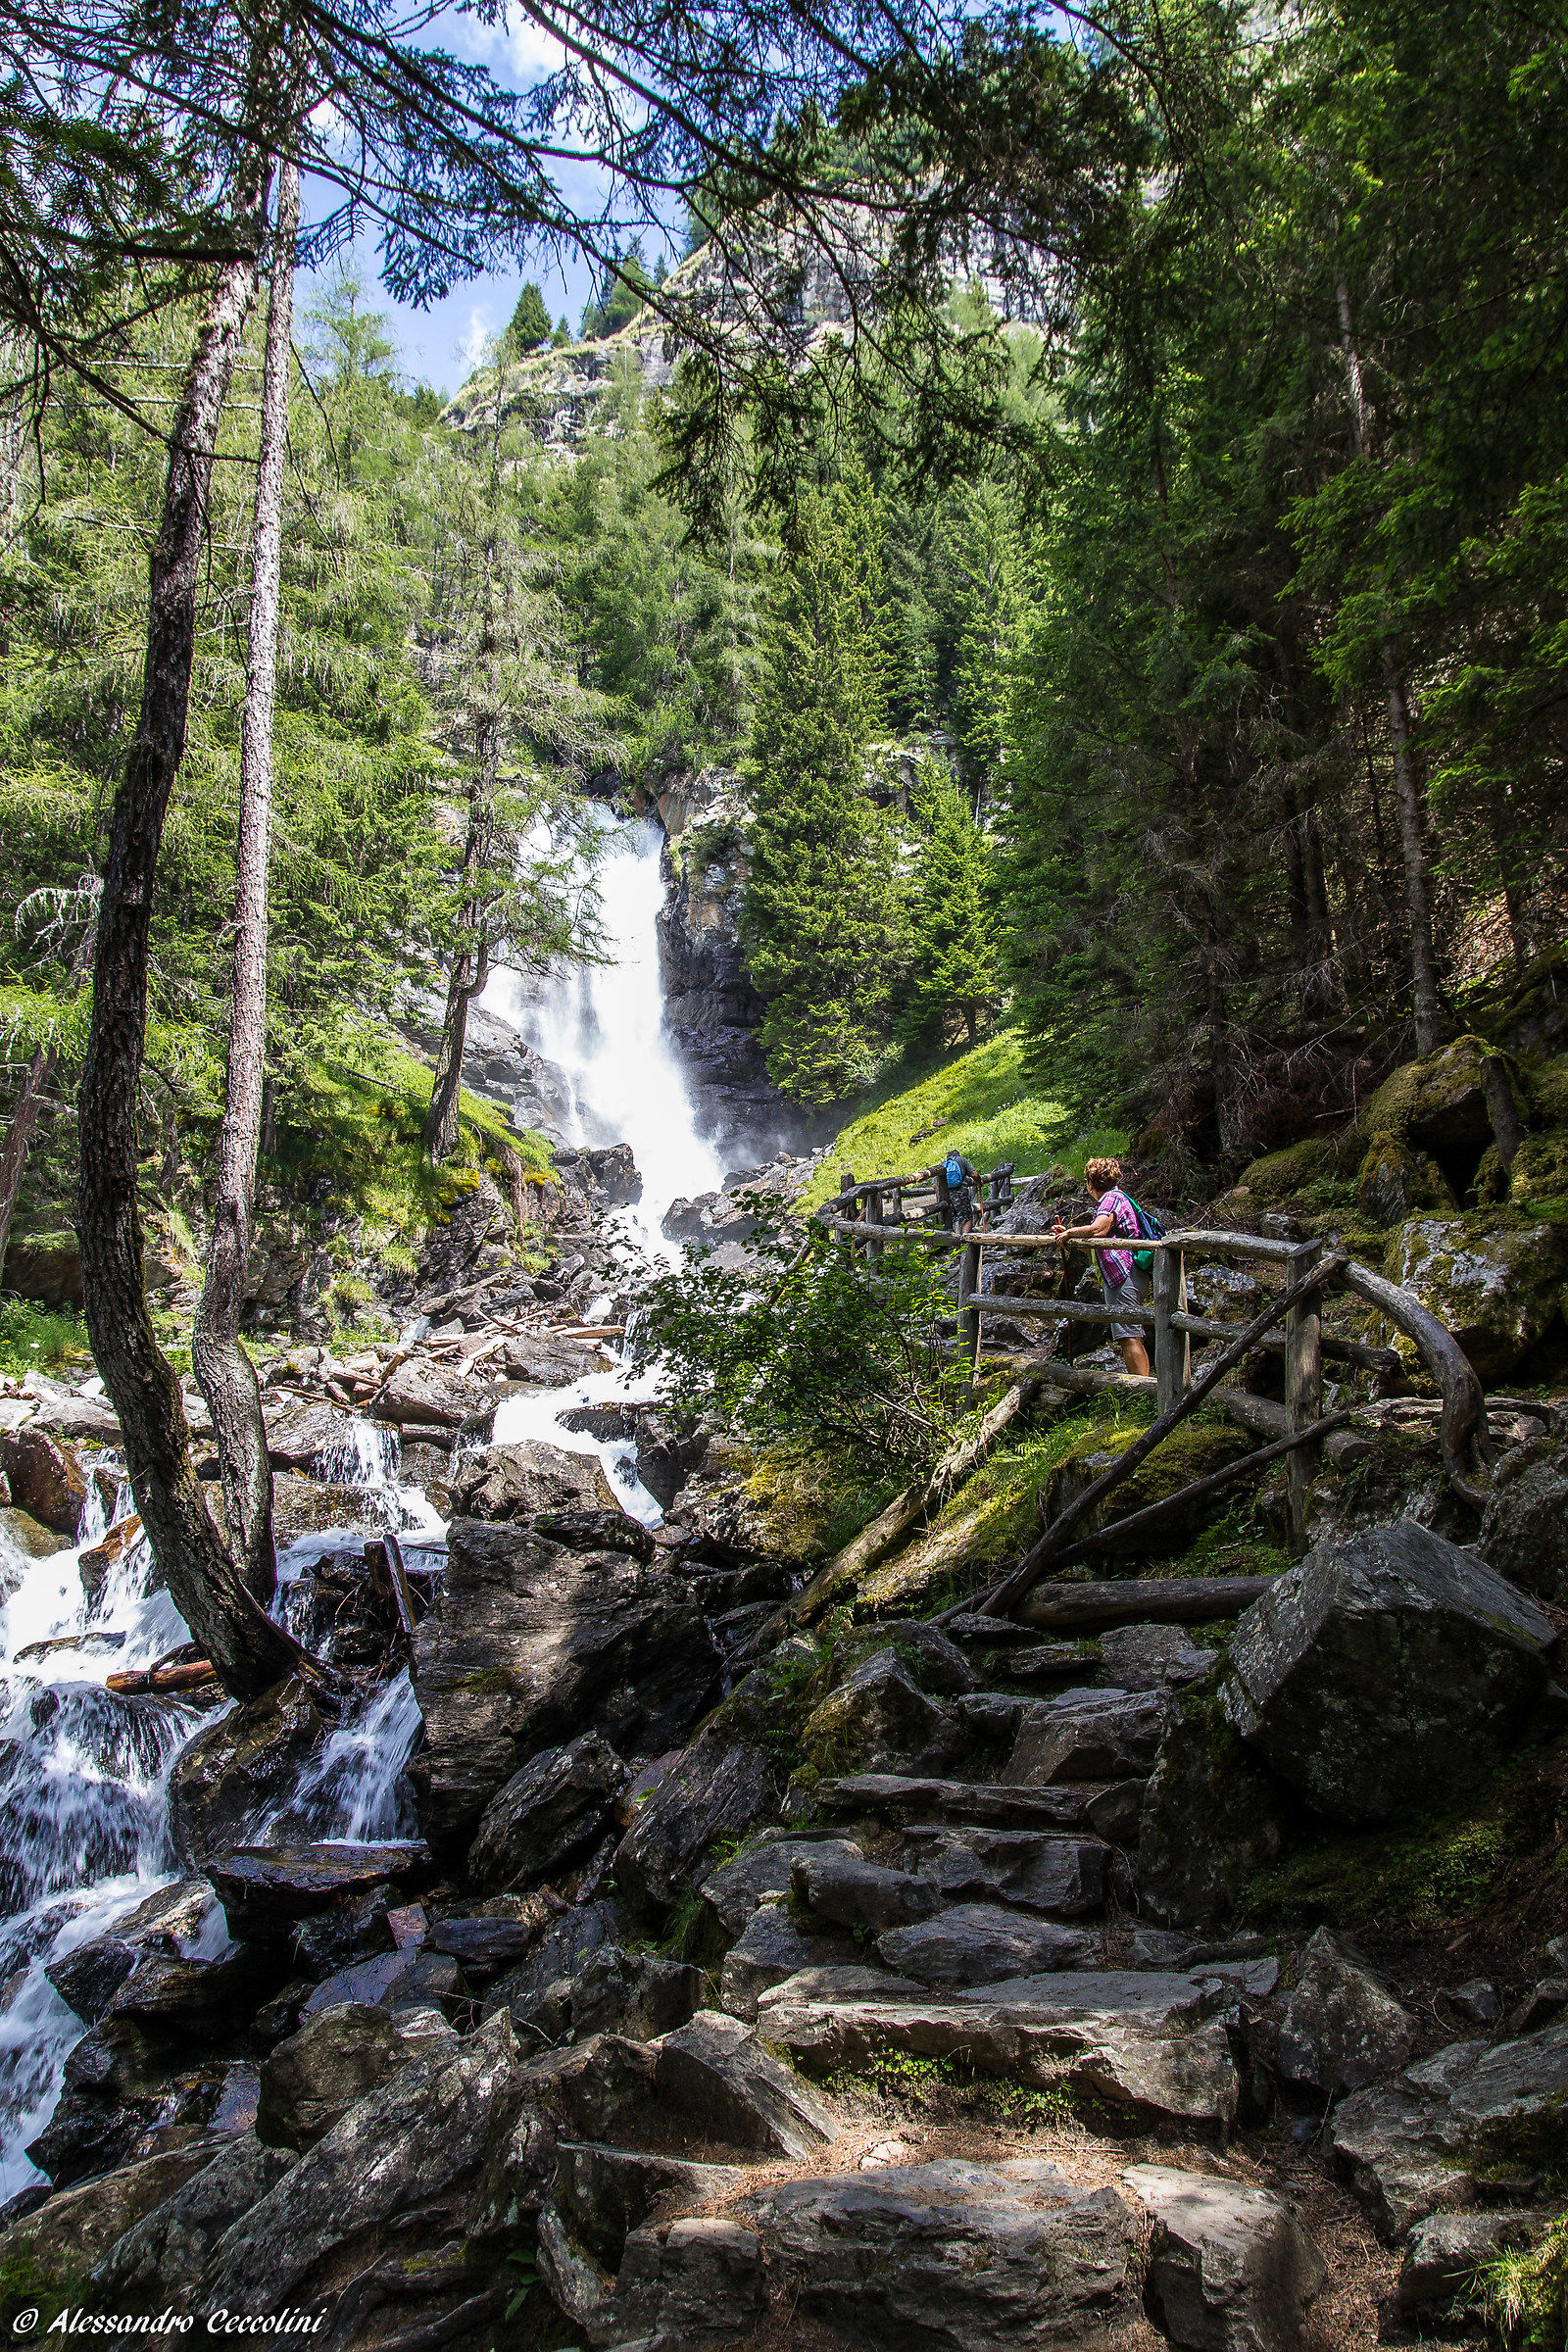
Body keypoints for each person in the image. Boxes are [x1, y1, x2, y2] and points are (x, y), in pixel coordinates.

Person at [1053, 1156, 1152, 1376]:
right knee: (1129, 1332)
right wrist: (1070, 1237)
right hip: (1125, 1273)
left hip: (1123, 1274)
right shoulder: (1116, 1197)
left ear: (1091, 1182)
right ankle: (1142, 1385)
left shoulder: (1110, 1199)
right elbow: (1097, 1244)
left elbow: (1099, 1228)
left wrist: (1070, 1232)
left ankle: (1141, 1388)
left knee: (1128, 1334)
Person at [938, 1149, 981, 1233]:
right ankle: (965, 1241)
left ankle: (953, 1242)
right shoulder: (961, 1160)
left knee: (951, 1220)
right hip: (961, 1194)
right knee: (967, 1218)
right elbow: (974, 1174)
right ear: (958, 1155)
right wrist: (979, 1182)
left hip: (946, 1197)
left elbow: (934, 1185)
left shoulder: (942, 1164)